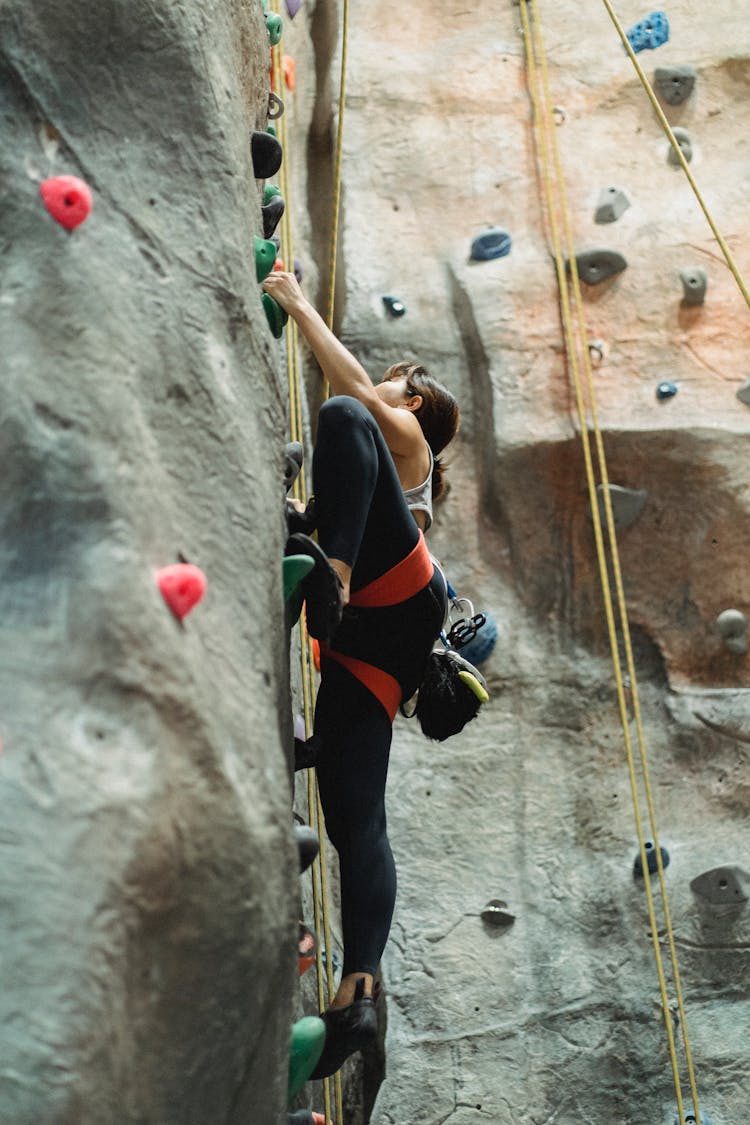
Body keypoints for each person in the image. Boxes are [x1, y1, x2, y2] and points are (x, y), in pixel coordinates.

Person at [264, 270, 460, 1078]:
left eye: (397, 380)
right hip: (380, 649)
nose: (385, 380)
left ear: (413, 400)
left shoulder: (405, 437)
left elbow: (350, 394)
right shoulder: (394, 470)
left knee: (343, 414)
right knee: (353, 820)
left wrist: (299, 305)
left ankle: (329, 576)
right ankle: (360, 996)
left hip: (389, 600)